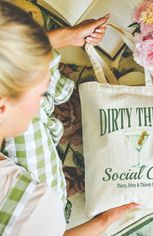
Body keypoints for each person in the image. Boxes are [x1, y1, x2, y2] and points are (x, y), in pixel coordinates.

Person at [0, 1, 137, 235]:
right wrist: (105, 221)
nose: (42, 100)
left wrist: (62, 37)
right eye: (39, 93)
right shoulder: (38, 208)